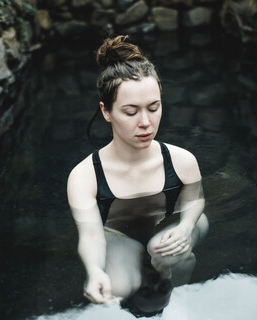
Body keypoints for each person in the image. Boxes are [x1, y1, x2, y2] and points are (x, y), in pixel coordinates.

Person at [67, 35, 208, 313]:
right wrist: (95, 271)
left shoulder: (182, 161)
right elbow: (91, 235)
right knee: (117, 287)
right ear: (106, 112)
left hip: (171, 227)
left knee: (163, 249)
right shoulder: (85, 176)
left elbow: (195, 202)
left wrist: (185, 226)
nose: (146, 122)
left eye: (154, 108)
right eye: (131, 112)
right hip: (117, 236)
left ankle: (179, 291)